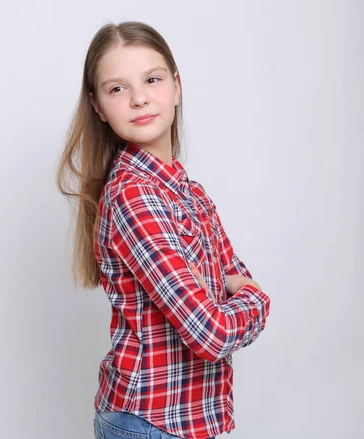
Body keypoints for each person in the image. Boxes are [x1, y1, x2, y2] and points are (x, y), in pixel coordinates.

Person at [56, 21, 271, 439]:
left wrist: (231, 295)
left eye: (152, 80)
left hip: (176, 421)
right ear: (98, 106)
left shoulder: (188, 191)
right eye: (117, 88)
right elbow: (211, 331)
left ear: (176, 85)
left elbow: (229, 277)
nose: (139, 98)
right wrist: (258, 299)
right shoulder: (135, 197)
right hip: (151, 424)